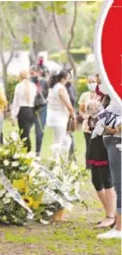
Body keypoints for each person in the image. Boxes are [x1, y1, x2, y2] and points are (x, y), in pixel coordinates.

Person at [86, 99, 116, 229]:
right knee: (96, 181)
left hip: (104, 147)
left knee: (107, 181)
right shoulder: (101, 98)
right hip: (94, 148)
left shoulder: (112, 104)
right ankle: (111, 213)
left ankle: (111, 216)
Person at [97, 97, 122, 239]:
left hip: (117, 140)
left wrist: (111, 130)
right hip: (112, 140)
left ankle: (119, 228)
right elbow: (103, 116)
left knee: (120, 187)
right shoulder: (114, 95)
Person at [46, 70, 75, 145]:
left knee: (65, 140)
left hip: (54, 116)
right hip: (59, 117)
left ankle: (62, 156)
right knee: (58, 141)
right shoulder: (60, 88)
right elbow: (68, 105)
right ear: (63, 79)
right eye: (68, 78)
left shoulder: (53, 87)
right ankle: (57, 157)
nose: (69, 80)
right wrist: (72, 114)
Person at [12, 69, 37, 152]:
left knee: (23, 134)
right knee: (27, 133)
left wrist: (13, 116)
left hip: (23, 110)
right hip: (31, 110)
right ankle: (27, 151)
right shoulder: (33, 86)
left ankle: (27, 152)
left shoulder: (19, 86)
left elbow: (16, 102)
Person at [78, 75, 100, 169]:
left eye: (93, 82)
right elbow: (81, 110)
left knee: (98, 146)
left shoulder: (101, 95)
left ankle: (98, 164)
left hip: (99, 124)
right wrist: (84, 117)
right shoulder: (84, 95)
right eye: (89, 82)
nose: (91, 84)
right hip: (87, 125)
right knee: (89, 145)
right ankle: (88, 166)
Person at [30, 65, 48, 158]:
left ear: (39, 72)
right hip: (30, 107)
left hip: (42, 108)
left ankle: (38, 152)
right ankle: (27, 151)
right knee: (27, 130)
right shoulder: (29, 81)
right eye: (32, 72)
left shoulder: (44, 82)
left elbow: (47, 94)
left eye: (35, 72)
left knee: (39, 130)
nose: (34, 74)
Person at [65, 72, 77, 160]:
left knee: (69, 135)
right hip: (68, 113)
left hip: (68, 114)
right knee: (69, 135)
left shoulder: (69, 87)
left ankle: (71, 156)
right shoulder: (68, 86)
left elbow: (72, 100)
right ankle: (70, 156)